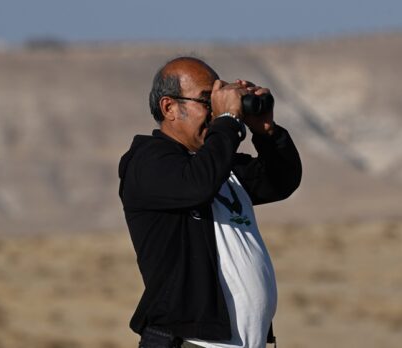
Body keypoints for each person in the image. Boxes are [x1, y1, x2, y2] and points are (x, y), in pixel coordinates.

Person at [118, 56, 302, 348]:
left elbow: (281, 182)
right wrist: (228, 122)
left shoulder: (218, 165)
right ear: (169, 108)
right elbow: (197, 186)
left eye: (218, 101)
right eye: (207, 101)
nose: (215, 112)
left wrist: (265, 130)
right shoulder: (147, 162)